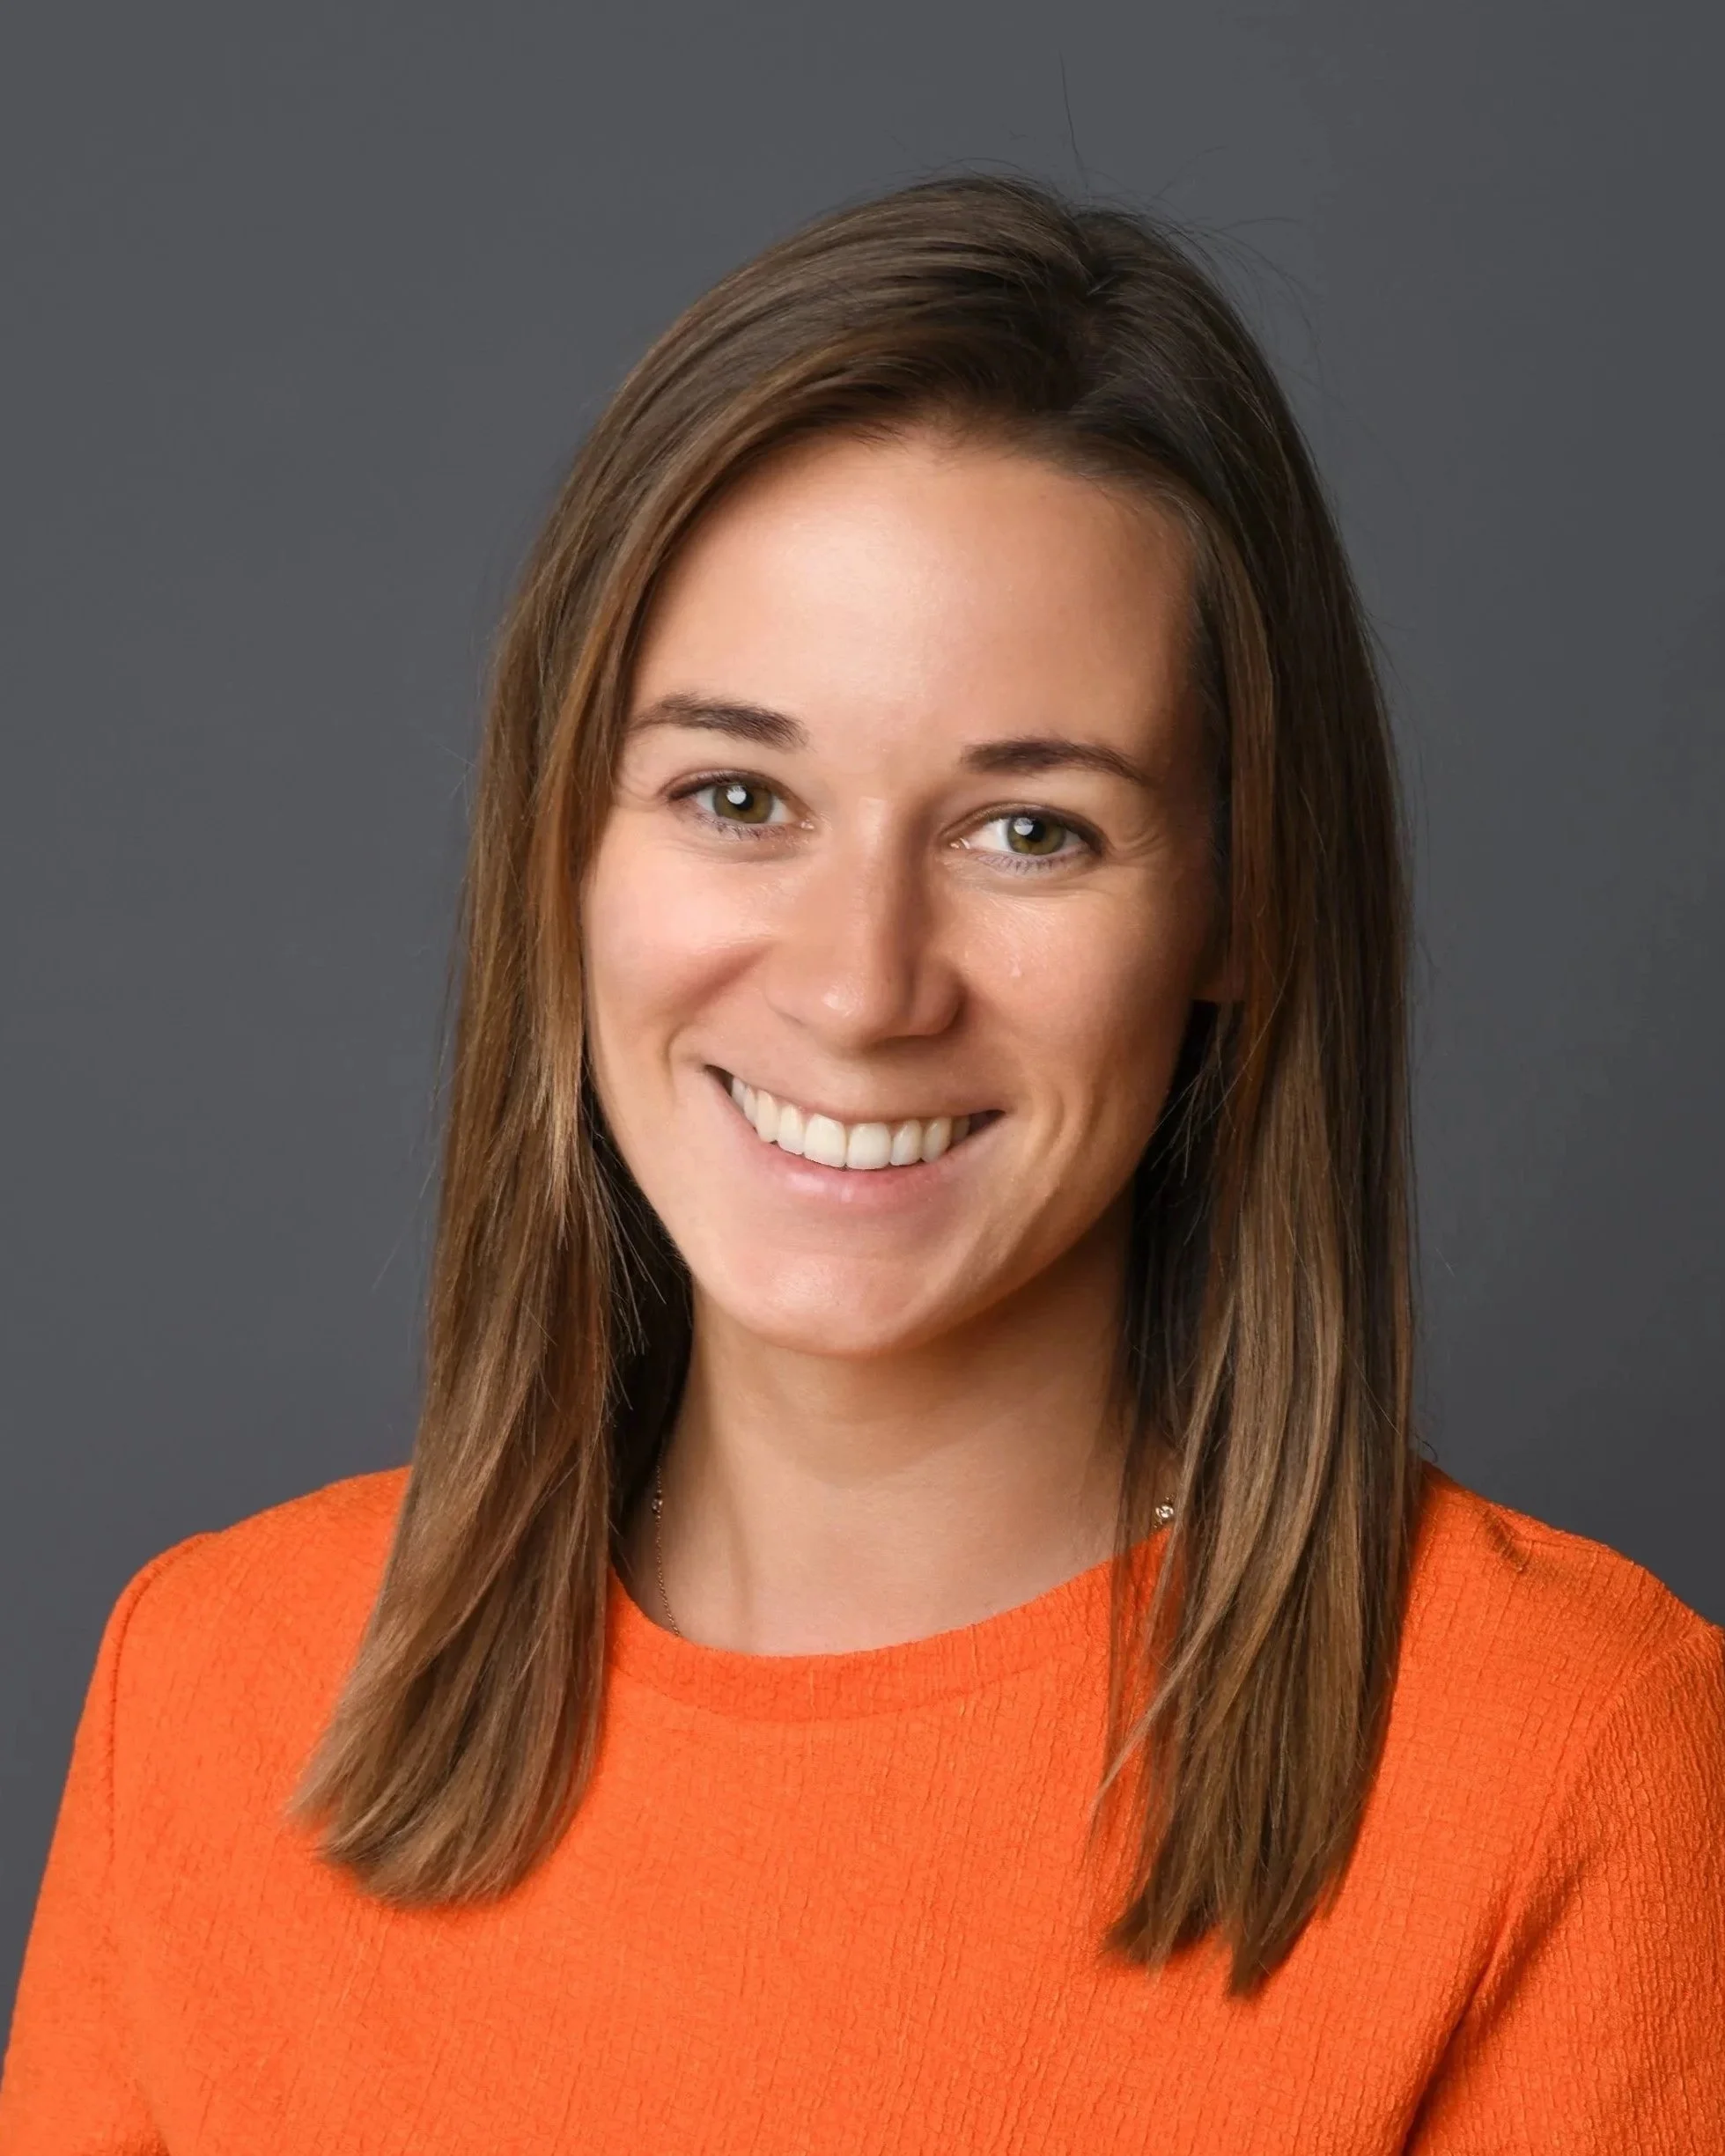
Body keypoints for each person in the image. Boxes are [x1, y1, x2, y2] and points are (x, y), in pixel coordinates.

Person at [3, 173, 1721, 2153]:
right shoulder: (212, 1695)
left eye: (1030, 832)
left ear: (1240, 907)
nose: (859, 985)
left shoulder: (1569, 1764)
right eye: (739, 797)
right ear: (564, 848)